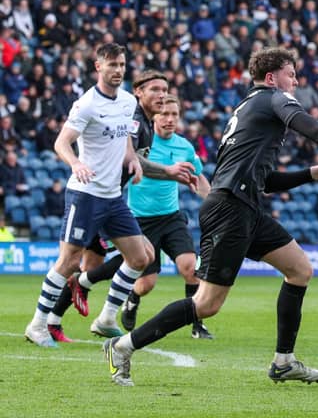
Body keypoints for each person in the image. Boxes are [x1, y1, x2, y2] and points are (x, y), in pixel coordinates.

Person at [102, 47, 318, 386]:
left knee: (300, 270)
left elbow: (265, 181)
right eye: (290, 74)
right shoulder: (273, 99)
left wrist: (314, 173)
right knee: (205, 304)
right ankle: (122, 347)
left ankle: (284, 361)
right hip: (231, 209)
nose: (295, 81)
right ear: (271, 77)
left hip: (244, 206)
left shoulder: (248, 108)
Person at [46, 69, 197, 343]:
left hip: (110, 198)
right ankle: (54, 320)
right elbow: (137, 163)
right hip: (97, 197)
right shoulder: (135, 122)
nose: (162, 97)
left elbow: (135, 162)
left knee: (97, 264)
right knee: (79, 264)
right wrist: (168, 170)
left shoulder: (145, 125)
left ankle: (69, 318)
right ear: (138, 92)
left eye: (165, 90)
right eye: (155, 90)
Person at [24, 43, 153, 348]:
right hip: (85, 195)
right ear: (98, 67)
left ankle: (107, 319)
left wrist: (132, 158)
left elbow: (124, 138)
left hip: (112, 197)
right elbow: (61, 143)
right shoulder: (87, 104)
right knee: (69, 261)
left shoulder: (126, 101)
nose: (118, 70)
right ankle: (37, 324)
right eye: (112, 65)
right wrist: (76, 163)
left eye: (121, 64)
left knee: (140, 257)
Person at [119, 94, 213, 339]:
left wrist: (215, 202)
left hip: (171, 217)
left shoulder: (184, 147)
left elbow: (198, 178)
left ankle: (197, 323)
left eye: (175, 115)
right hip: (141, 219)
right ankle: (133, 298)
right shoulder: (142, 142)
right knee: (146, 284)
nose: (170, 119)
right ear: (155, 116)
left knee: (190, 268)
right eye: (165, 114)